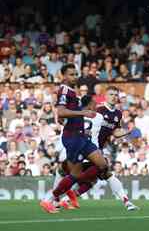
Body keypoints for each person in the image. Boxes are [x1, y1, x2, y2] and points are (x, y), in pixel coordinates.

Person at [39, 64, 104, 214]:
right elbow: (61, 112)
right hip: (73, 137)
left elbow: (64, 115)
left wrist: (72, 116)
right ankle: (49, 199)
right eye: (71, 74)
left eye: (76, 73)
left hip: (81, 136)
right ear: (64, 76)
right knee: (75, 173)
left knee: (102, 164)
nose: (75, 76)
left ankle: (71, 191)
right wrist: (82, 113)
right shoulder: (64, 90)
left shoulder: (73, 92)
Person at [57, 93, 138, 211]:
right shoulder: (98, 112)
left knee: (92, 179)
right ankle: (127, 202)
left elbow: (114, 132)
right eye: (111, 94)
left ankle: (61, 200)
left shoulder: (114, 114)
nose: (114, 97)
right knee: (105, 174)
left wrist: (126, 131)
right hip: (90, 150)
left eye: (116, 95)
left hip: (85, 149)